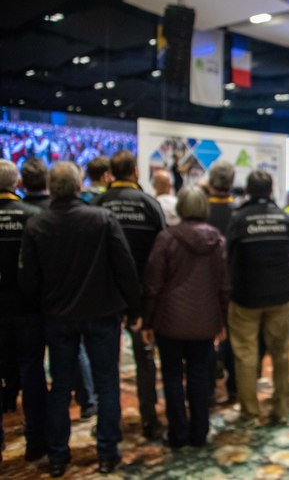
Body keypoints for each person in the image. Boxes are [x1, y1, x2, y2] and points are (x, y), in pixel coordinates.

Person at [19, 162, 140, 477]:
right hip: (101, 314)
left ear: (51, 187)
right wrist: (135, 309)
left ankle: (58, 456)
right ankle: (107, 454)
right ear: (78, 186)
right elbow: (125, 267)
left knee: (60, 386)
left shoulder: (36, 224)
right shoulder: (102, 218)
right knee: (107, 384)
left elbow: (29, 281)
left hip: (57, 316)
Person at [142, 186, 230, 448]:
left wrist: (148, 320)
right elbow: (224, 286)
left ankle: (178, 434)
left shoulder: (166, 238)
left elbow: (153, 284)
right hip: (205, 320)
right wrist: (223, 321)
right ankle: (200, 432)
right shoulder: (217, 240)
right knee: (199, 374)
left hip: (169, 321)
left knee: (171, 376)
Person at [93, 150, 165, 440]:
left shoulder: (98, 204)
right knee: (145, 357)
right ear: (135, 171)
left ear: (111, 173)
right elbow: (162, 251)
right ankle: (150, 420)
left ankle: (107, 424)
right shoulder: (150, 204)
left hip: (105, 292)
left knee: (105, 362)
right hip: (143, 292)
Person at [226, 170, 289, 425]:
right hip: (280, 295)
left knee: (246, 355)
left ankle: (250, 412)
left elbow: (228, 257)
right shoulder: (284, 218)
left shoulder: (238, 219)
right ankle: (282, 409)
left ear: (247, 191)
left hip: (246, 296)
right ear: (271, 189)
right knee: (281, 354)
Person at [0, 160, 46, 464]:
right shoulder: (33, 216)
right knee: (32, 371)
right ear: (17, 183)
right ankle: (35, 443)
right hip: (28, 307)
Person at [205, 160, 238, 404]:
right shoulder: (239, 212)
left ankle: (207, 388)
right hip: (235, 283)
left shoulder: (202, 211)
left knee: (205, 338)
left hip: (205, 283)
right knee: (234, 337)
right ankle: (234, 387)